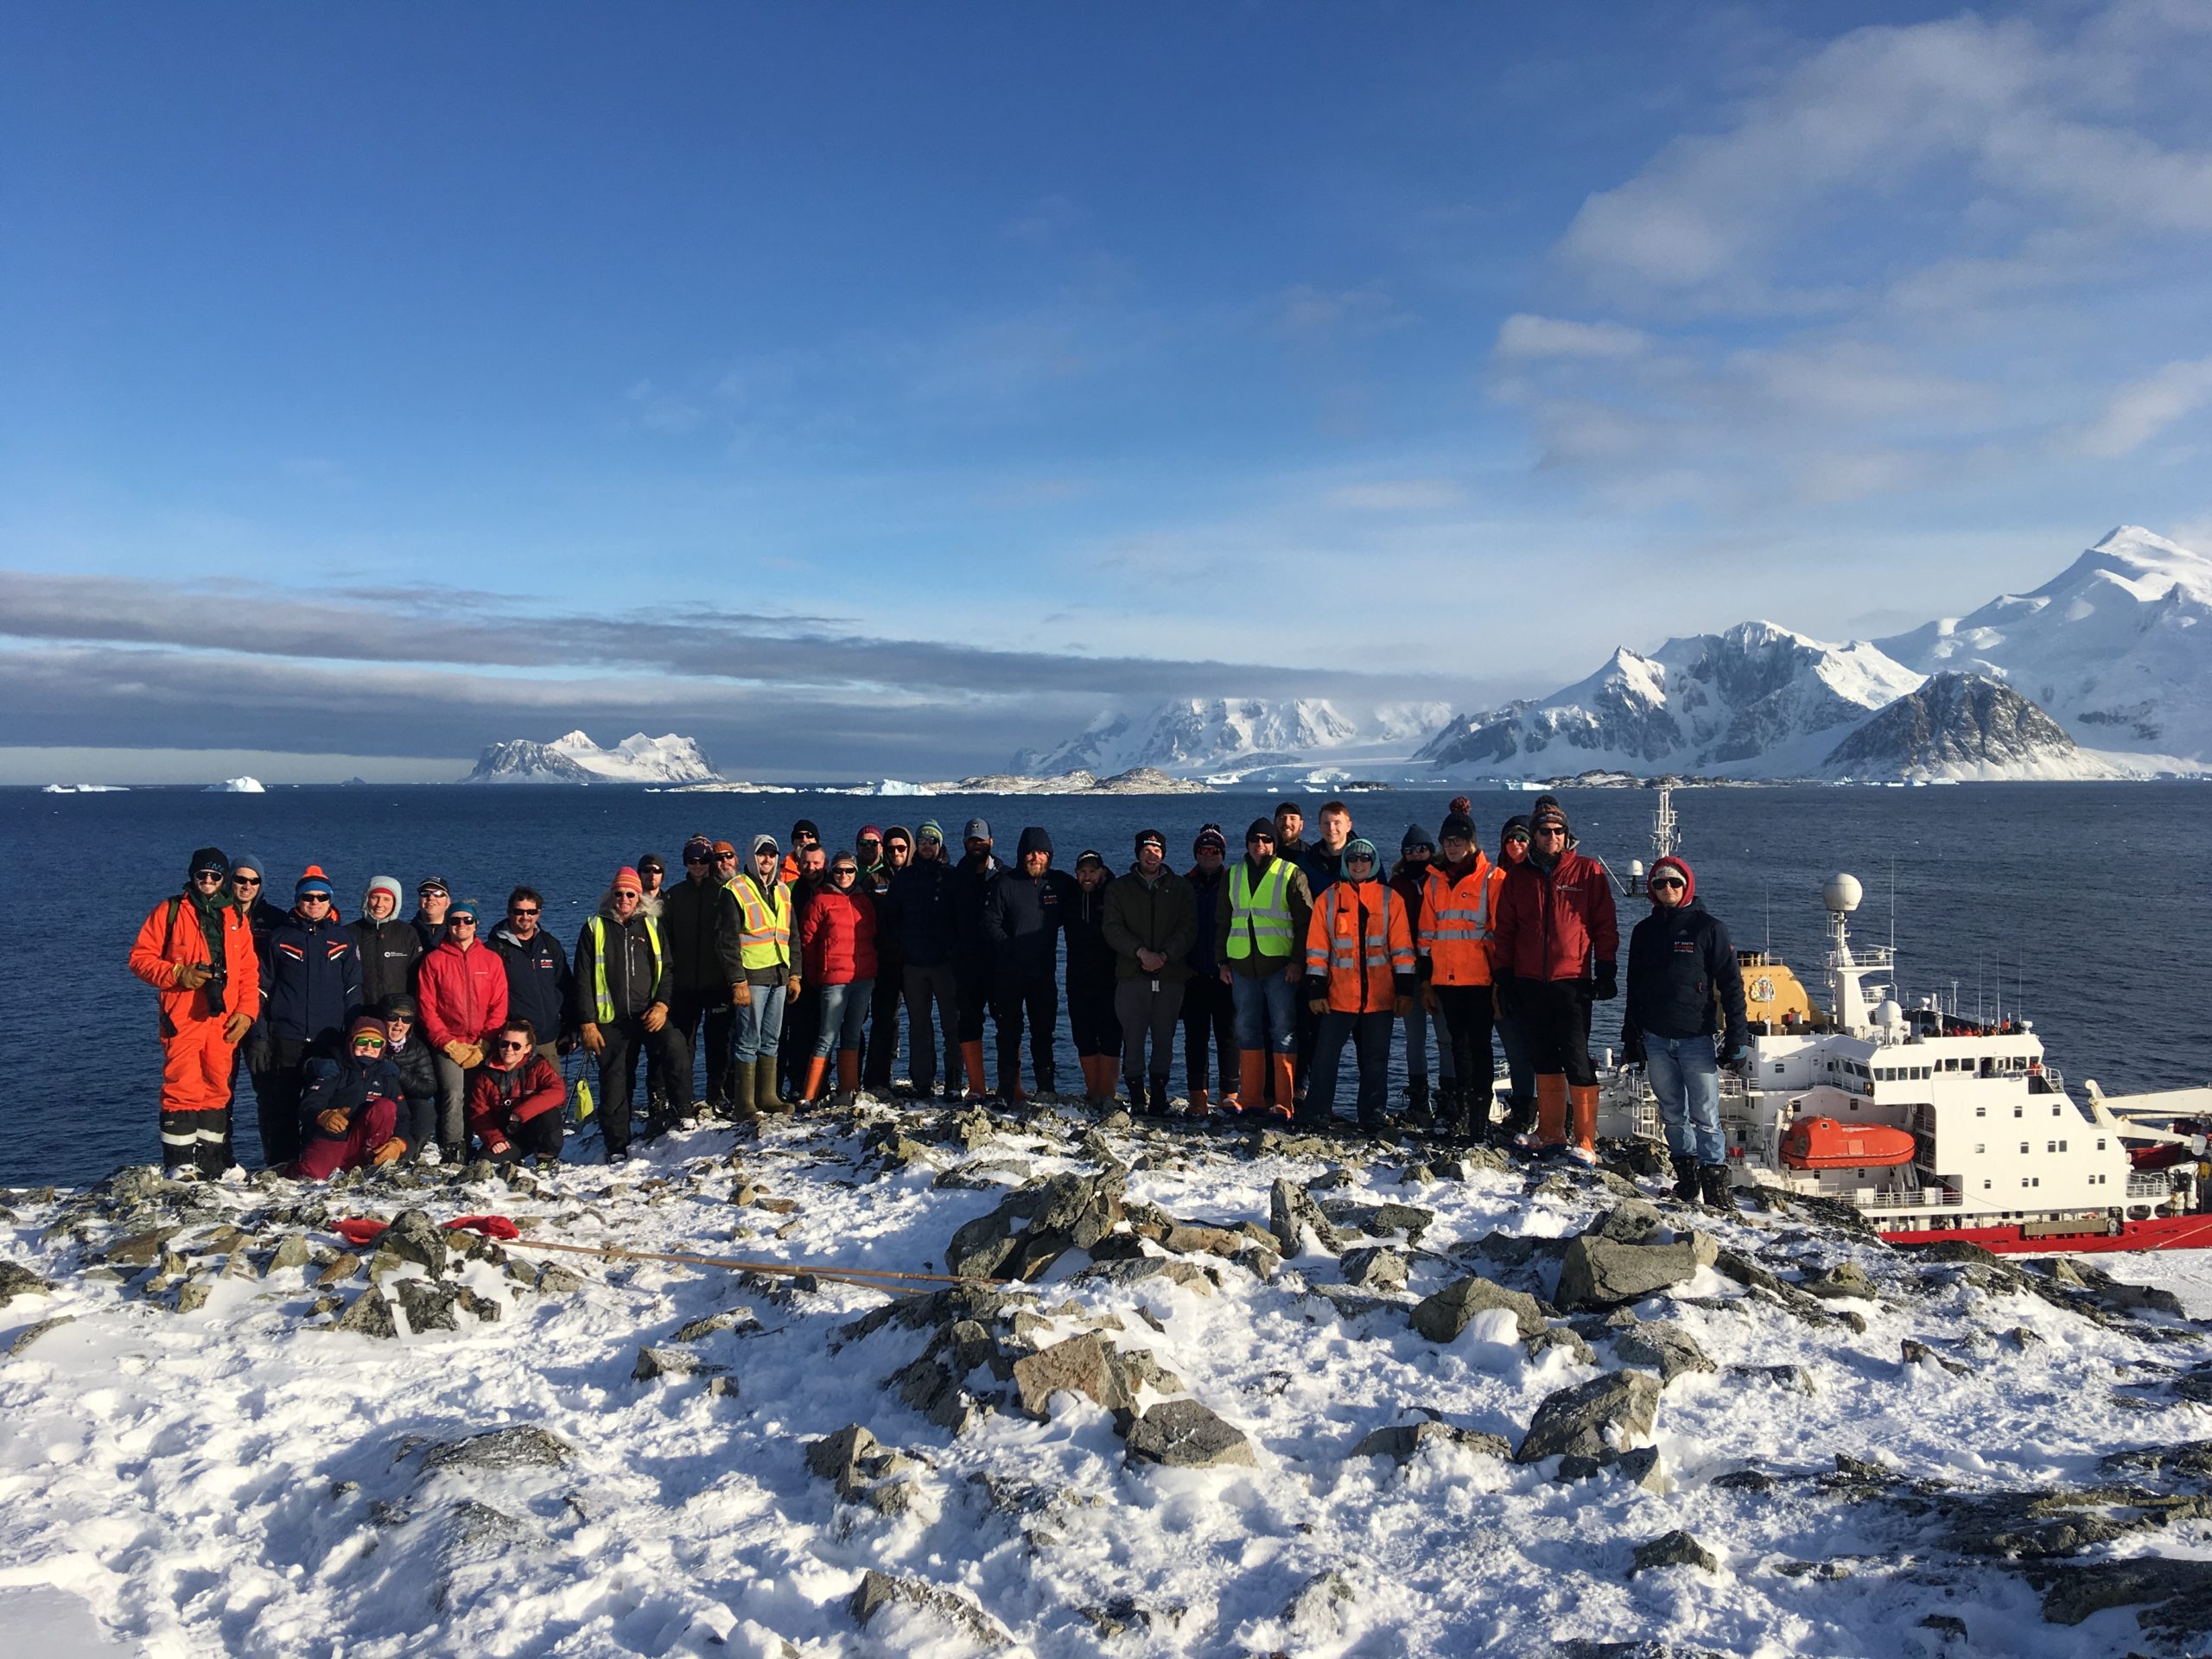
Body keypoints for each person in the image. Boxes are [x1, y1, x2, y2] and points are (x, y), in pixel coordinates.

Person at [1492, 796, 1618, 1165]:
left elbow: (1604, 925)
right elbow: (1506, 931)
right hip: (1530, 980)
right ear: (1534, 835)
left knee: (1577, 1057)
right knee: (1543, 1058)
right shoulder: (1519, 878)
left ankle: (1585, 1141)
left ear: (1567, 834)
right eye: (1544, 831)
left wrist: (1606, 969)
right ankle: (1550, 1132)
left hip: (1572, 980)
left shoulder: (1587, 873)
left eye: (1558, 831)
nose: (1552, 837)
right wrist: (1504, 977)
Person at [1622, 855, 1747, 1205]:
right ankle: (1687, 1179)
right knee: (1672, 1113)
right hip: (1657, 1038)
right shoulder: (1643, 933)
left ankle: (1716, 1185)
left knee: (1705, 1115)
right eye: (1660, 883)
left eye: (1674, 882)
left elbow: (1732, 987)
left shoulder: (1709, 929)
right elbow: (1634, 986)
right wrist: (1631, 1038)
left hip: (1696, 1039)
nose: (1667, 889)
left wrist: (1737, 1037)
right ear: (1651, 888)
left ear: (1687, 885)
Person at [130, 848, 259, 1179]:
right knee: (182, 1085)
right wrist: (178, 974)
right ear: (193, 875)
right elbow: (140, 959)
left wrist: (246, 1012)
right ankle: (180, 1164)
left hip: (223, 1017)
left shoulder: (235, 917)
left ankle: (211, 1163)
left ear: (223, 879)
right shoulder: (170, 911)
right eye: (202, 875)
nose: (208, 881)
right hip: (183, 1014)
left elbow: (247, 971)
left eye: (215, 876)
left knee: (217, 1086)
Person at [1301, 838, 1415, 1132]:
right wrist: (1315, 990)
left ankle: (1373, 1117)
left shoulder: (1390, 899)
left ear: (1373, 863)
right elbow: (1316, 950)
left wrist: (1404, 991)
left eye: (1364, 859)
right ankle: (1316, 1115)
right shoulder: (1328, 899)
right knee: (1325, 1059)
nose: (1358, 864)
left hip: (1379, 998)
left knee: (1376, 1060)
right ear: (1345, 864)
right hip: (1338, 998)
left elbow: (1402, 948)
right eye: (1352, 859)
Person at [255, 866, 362, 1168]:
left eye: (321, 897)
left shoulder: (343, 939)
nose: (314, 902)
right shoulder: (279, 938)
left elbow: (354, 990)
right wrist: (260, 1035)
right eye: (308, 896)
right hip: (286, 1037)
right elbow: (262, 988)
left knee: (322, 1105)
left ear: (330, 901)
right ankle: (280, 1166)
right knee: (281, 1107)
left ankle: (316, 1164)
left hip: (328, 1039)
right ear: (298, 899)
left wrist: (350, 1035)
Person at [573, 867, 671, 1160]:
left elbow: (666, 970)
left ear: (638, 897)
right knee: (615, 1081)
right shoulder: (594, 927)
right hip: (609, 1020)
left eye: (630, 894)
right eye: (619, 893)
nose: (624, 899)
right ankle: (617, 1144)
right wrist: (587, 1023)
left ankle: (678, 1116)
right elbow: (583, 978)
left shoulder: (652, 926)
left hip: (646, 1015)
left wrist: (662, 1005)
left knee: (673, 1050)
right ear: (611, 895)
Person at [1217, 817, 1311, 1122]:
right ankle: (1251, 1097)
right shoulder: (1232, 875)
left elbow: (1305, 922)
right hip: (1242, 965)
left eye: (1267, 840)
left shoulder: (1290, 873)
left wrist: (1298, 961)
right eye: (1255, 839)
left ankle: (1284, 1102)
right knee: (1246, 1029)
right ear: (1247, 843)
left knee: (1283, 1031)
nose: (1261, 845)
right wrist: (1223, 961)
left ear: (1275, 844)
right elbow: (1223, 921)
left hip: (1280, 966)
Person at [1103, 830, 1195, 1115]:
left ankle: (1159, 1094)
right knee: (1133, 1036)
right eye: (1146, 849)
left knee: (1165, 1037)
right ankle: (1135, 1095)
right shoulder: (1120, 888)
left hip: (1170, 975)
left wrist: (1165, 956)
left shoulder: (1180, 888)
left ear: (1164, 854)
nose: (1151, 854)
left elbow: (1188, 928)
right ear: (1137, 853)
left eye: (1156, 849)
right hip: (1132, 974)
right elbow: (1112, 928)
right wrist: (1140, 953)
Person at [1419, 813, 1498, 1142]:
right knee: (1458, 1046)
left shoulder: (1493, 878)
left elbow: (1499, 932)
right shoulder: (1434, 881)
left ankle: (1480, 1116)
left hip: (1480, 979)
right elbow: (1426, 934)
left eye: (1458, 841)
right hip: (1446, 980)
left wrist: (1499, 981)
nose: (1452, 847)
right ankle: (1463, 1113)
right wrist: (1426, 980)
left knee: (1479, 1046)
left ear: (1471, 843)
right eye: (1447, 841)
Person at [415, 893, 508, 1165]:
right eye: (456, 921)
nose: (462, 925)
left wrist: (485, 1043)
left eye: (468, 920)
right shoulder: (434, 961)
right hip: (448, 1042)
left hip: (482, 1042)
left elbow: (499, 1005)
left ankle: (492, 1143)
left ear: (476, 925)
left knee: (483, 1096)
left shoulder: (491, 961)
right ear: (448, 925)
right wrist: (446, 1042)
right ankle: (453, 1148)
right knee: (453, 1094)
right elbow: (427, 1007)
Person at [984, 826, 1072, 1101]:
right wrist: (1010, 948)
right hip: (1009, 973)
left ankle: (1046, 1088)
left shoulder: (1059, 884)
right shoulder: (1005, 883)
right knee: (1009, 1034)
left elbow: (1088, 893)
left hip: (1043, 974)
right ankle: (1007, 1089)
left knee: (1043, 1033)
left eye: (1042, 852)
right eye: (1031, 852)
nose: (1036, 857)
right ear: (1023, 854)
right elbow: (990, 922)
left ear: (1050, 855)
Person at [885, 821, 960, 1099]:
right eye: (923, 841)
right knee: (919, 1025)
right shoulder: (905, 878)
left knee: (952, 1024)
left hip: (945, 964)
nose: (927, 846)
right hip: (914, 963)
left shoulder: (951, 877)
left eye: (932, 841)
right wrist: (900, 948)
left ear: (940, 845)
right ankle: (923, 1082)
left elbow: (963, 919)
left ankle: (953, 1082)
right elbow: (891, 917)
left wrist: (955, 952)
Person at [663, 834, 735, 1116]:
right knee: (683, 1047)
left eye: (704, 860)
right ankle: (682, 1100)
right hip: (683, 984)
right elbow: (665, 941)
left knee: (720, 1043)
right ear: (686, 863)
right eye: (693, 861)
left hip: (717, 982)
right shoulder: (675, 896)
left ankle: (718, 1095)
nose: (699, 866)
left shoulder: (723, 892)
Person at [725, 835, 797, 1119]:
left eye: (771, 855)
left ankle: (767, 1096)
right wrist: (737, 981)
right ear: (751, 857)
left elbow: (793, 937)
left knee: (771, 1038)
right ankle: (745, 1103)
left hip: (779, 974)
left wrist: (796, 975)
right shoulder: (736, 889)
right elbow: (727, 941)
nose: (767, 860)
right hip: (752, 976)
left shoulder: (782, 890)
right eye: (761, 855)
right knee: (747, 1039)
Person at [798, 849, 877, 1104]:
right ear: (832, 872)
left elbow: (874, 936)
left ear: (856, 873)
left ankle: (849, 1089)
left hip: (862, 978)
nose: (844, 875)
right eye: (839, 870)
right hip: (833, 979)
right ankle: (809, 1094)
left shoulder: (864, 901)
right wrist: (812, 975)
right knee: (826, 1036)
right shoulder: (820, 901)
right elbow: (807, 942)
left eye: (849, 870)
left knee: (853, 1033)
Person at [290, 1014, 409, 1180]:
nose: (369, 1047)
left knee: (386, 1107)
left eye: (376, 1043)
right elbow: (309, 1104)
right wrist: (323, 1116)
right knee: (312, 1177)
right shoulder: (333, 1070)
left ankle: (373, 1161)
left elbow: (403, 1116)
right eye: (362, 1042)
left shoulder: (386, 1076)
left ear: (382, 1047)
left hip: (364, 1142)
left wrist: (398, 1143)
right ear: (352, 1043)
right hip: (332, 1138)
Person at [1179, 825, 1236, 1116]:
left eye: (1214, 850)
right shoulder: (1184, 884)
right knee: (1196, 1038)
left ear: (1222, 854)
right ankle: (1197, 1099)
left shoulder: (1234, 882)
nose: (1208, 855)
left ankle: (1230, 1095)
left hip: (1227, 973)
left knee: (1229, 1036)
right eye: (1203, 850)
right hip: (1194, 974)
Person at [1390, 826, 1445, 1124]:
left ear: (1430, 851)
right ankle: (1419, 1099)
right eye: (1410, 851)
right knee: (1414, 1038)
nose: (1415, 855)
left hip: (1441, 969)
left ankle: (1450, 1097)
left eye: (1421, 850)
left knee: (1446, 1036)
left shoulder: (1441, 880)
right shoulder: (1396, 885)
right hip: (1407, 970)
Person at [948, 817, 1004, 1103]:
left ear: (990, 842)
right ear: (965, 843)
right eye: (971, 840)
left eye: (981, 840)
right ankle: (977, 1087)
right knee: (969, 1023)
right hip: (966, 965)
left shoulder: (1004, 876)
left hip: (998, 965)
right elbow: (946, 919)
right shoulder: (956, 876)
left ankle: (1011, 1086)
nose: (976, 844)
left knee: (1007, 1024)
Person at [489, 887, 574, 1071]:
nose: (525, 917)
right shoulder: (494, 949)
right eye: (519, 911)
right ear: (509, 912)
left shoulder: (550, 944)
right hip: (514, 1043)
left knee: (551, 1096)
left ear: (538, 913)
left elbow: (565, 986)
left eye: (531, 912)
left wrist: (570, 1029)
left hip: (548, 1040)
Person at [1491, 817, 1537, 1137]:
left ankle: (1547, 1110)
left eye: (1522, 838)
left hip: (1536, 975)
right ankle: (1523, 1107)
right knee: (1515, 1047)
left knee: (1543, 1048)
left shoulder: (1540, 879)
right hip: (1502, 973)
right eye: (1510, 839)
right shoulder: (1495, 879)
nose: (1516, 845)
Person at [466, 1018, 567, 1163]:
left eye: (516, 1046)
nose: (509, 1050)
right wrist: (494, 1139)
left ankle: (546, 1158)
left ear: (527, 1048)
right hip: (507, 1133)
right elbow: (478, 1113)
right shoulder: (485, 1075)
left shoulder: (538, 1066)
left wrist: (520, 1114)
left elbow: (558, 1091)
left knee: (550, 1113)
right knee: (485, 1160)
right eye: (504, 1044)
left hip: (534, 1127)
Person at [1065, 850, 1122, 1108]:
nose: (1087, 877)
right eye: (1082, 872)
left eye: (1092, 871)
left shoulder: (1114, 893)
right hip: (1077, 976)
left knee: (1110, 1034)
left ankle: (1107, 1092)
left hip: (1110, 976)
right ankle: (1093, 1090)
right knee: (1083, 1034)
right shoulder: (1071, 896)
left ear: (1102, 871)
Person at [778, 843, 830, 1101]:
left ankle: (826, 1083)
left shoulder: (834, 889)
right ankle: (798, 1082)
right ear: (798, 864)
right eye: (806, 863)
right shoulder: (790, 893)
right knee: (798, 1031)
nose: (811, 868)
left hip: (830, 971)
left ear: (825, 863)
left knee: (829, 1029)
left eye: (816, 863)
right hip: (799, 972)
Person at [861, 827, 910, 1090]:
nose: (896, 853)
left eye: (901, 848)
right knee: (883, 1019)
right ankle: (876, 1080)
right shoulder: (874, 879)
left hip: (914, 960)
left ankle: (922, 1079)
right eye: (891, 849)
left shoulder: (916, 877)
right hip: (885, 960)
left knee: (920, 1021)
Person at [378, 993, 441, 1160]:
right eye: (394, 1017)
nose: (400, 1024)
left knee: (425, 1110)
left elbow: (429, 1087)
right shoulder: (370, 1042)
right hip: (374, 1102)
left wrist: (400, 1074)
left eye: (406, 1019)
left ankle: (410, 1154)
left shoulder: (417, 1048)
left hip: (405, 1105)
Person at [352, 875, 423, 1015]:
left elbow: (417, 980)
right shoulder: (350, 933)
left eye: (386, 899)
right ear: (366, 899)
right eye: (375, 897)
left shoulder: (407, 933)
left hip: (397, 1016)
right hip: (359, 1014)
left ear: (396, 903)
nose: (380, 904)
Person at [410, 877, 453, 953]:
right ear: (419, 900)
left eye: (438, 894)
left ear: (448, 902)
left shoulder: (456, 932)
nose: (431, 898)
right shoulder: (407, 932)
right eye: (425, 893)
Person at [779, 818, 821, 884]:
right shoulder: (779, 871)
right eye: (799, 836)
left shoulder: (827, 872)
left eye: (809, 835)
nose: (804, 839)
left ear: (816, 842)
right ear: (793, 842)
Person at [636, 853, 667, 918]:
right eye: (646, 870)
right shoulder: (632, 903)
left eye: (657, 870)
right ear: (639, 874)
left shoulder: (670, 903)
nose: (652, 874)